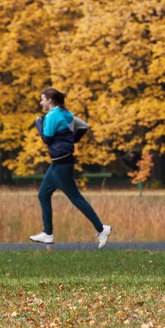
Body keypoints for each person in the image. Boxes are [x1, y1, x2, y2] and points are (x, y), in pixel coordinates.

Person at [30, 88, 112, 249]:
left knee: (75, 197)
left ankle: (102, 229)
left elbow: (46, 138)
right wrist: (71, 139)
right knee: (43, 194)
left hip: (62, 162)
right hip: (59, 162)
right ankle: (48, 233)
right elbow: (84, 126)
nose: (41, 102)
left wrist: (38, 123)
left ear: (50, 100)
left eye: (43, 99)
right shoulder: (65, 114)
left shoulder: (52, 116)